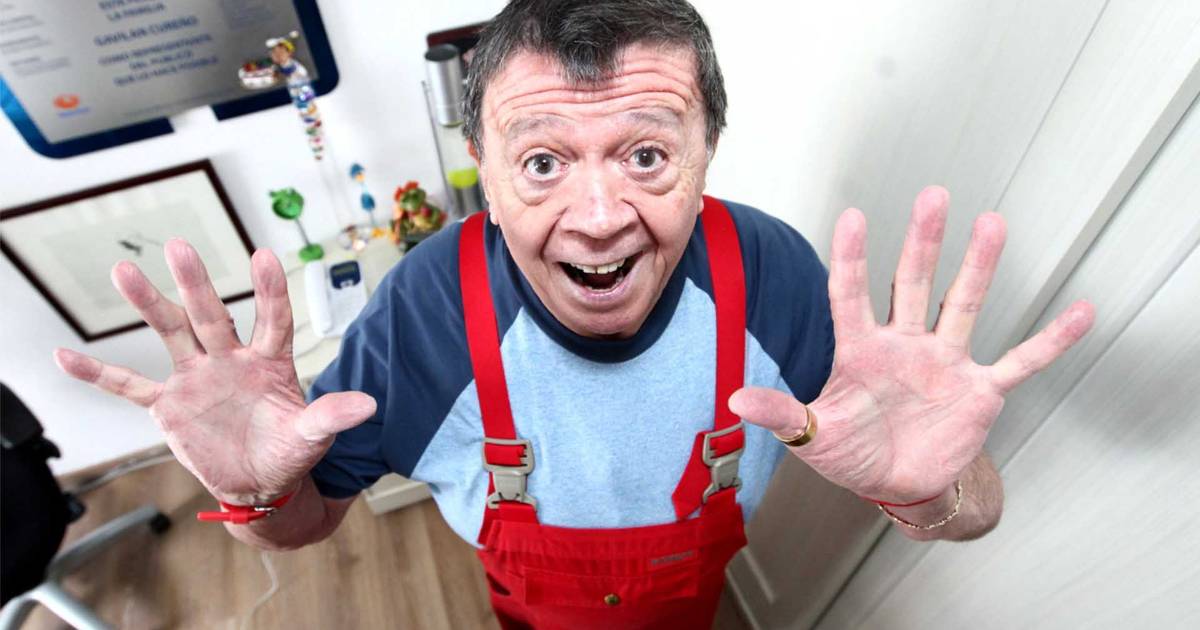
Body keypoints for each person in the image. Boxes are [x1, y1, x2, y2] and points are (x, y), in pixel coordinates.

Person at [54, 1, 1094, 628]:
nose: (599, 218)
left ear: (705, 155)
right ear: (485, 170)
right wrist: (259, 496)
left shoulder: (770, 271)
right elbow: (304, 525)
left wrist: (937, 492)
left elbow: (973, 509)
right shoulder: (428, 306)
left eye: (645, 153)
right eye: (544, 162)